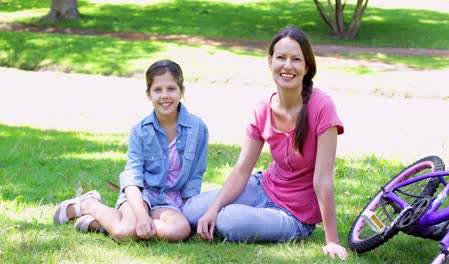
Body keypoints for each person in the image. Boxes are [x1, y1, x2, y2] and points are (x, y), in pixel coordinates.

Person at [183, 26, 348, 260]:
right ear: (270, 62)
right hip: (264, 187)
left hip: (294, 214)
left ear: (307, 66)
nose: (287, 66)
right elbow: (242, 170)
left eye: (296, 59)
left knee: (228, 220)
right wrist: (212, 209)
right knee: (193, 211)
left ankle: (248, 217)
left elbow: (322, 179)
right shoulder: (262, 108)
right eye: (281, 58)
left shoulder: (322, 107)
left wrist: (332, 241)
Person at [53, 59, 209, 242]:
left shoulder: (197, 128)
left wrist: (188, 212)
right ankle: (90, 205)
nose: (165, 95)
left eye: (171, 89)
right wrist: (142, 216)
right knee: (123, 232)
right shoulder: (140, 131)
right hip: (141, 195)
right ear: (148, 94)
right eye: (158, 90)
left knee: (180, 230)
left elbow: (195, 175)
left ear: (182, 91)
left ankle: (100, 224)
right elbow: (132, 177)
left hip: (170, 202)